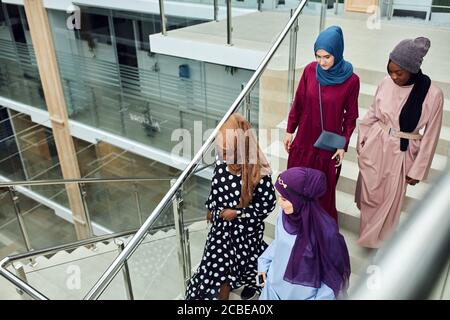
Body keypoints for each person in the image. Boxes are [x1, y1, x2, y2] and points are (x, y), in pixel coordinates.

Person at [356, 37, 444, 248]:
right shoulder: (386, 83)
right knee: (370, 192)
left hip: (402, 151)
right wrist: (363, 140)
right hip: (376, 142)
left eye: (399, 72)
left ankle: (379, 241)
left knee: (391, 197)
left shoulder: (433, 95)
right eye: (391, 71)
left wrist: (418, 170)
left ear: (413, 69)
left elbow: (431, 135)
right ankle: (367, 233)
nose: (394, 77)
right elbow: (372, 113)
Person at [185, 113, 277, 300]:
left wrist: (238, 213)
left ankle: (253, 282)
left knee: (248, 263)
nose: (221, 155)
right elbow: (216, 186)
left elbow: (267, 206)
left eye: (227, 152)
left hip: (245, 232)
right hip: (221, 229)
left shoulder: (258, 173)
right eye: (220, 149)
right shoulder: (222, 161)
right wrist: (211, 207)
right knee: (219, 270)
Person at [284, 25, 360, 221]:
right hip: (304, 139)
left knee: (321, 192)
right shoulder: (310, 70)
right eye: (318, 56)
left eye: (327, 56)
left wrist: (343, 144)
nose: (321, 61)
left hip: (327, 145)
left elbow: (351, 117)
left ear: (337, 52)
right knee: (296, 185)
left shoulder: (351, 81)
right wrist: (289, 130)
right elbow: (299, 101)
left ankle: (318, 228)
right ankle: (297, 222)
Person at [258, 167, 351, 300]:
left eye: (284, 199)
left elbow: (332, 278)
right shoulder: (284, 216)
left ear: (299, 200)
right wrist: (263, 263)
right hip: (273, 288)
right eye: (279, 197)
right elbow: (280, 244)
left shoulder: (326, 233)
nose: (279, 203)